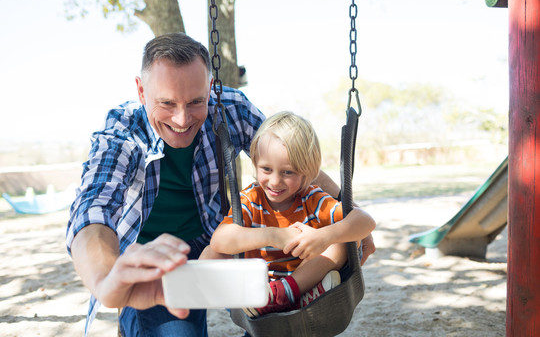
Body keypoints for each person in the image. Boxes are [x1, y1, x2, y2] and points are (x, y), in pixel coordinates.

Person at [66, 32, 375, 336]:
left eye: (196, 101)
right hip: (155, 258)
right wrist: (105, 278)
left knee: (280, 324)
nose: (182, 119)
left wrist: (352, 215)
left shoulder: (229, 107)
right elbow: (93, 210)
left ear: (211, 88)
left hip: (215, 240)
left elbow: (291, 156)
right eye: (167, 103)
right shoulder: (123, 132)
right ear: (141, 91)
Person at [207, 111, 376, 317]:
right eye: (266, 169)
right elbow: (218, 241)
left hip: (301, 280)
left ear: (307, 172)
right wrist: (272, 235)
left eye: (288, 172)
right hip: (259, 286)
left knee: (345, 241)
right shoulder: (251, 199)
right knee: (213, 251)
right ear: (256, 164)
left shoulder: (312, 199)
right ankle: (273, 296)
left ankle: (290, 295)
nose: (275, 181)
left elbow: (366, 221)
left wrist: (324, 236)